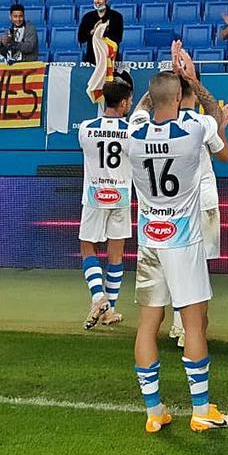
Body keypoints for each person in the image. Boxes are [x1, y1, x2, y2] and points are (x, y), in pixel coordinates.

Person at [126, 42, 228, 435]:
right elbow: (216, 113)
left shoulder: (133, 131)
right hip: (184, 241)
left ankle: (154, 410)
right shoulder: (193, 129)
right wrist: (192, 79)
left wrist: (160, 83)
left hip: (149, 240)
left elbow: (144, 106)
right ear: (179, 97)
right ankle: (201, 409)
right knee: (193, 326)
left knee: (147, 325)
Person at [76, 79, 134, 330]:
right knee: (116, 254)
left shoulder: (86, 128)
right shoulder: (132, 131)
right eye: (129, 100)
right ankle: (108, 308)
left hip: (94, 194)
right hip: (120, 195)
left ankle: (98, 296)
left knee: (87, 247)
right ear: (122, 103)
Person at [78, 0, 125, 64]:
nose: (97, 1)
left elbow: (118, 38)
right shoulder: (87, 17)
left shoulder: (116, 16)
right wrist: (93, 31)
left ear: (107, 0)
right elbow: (81, 38)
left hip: (110, 58)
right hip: (92, 58)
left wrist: (102, 31)